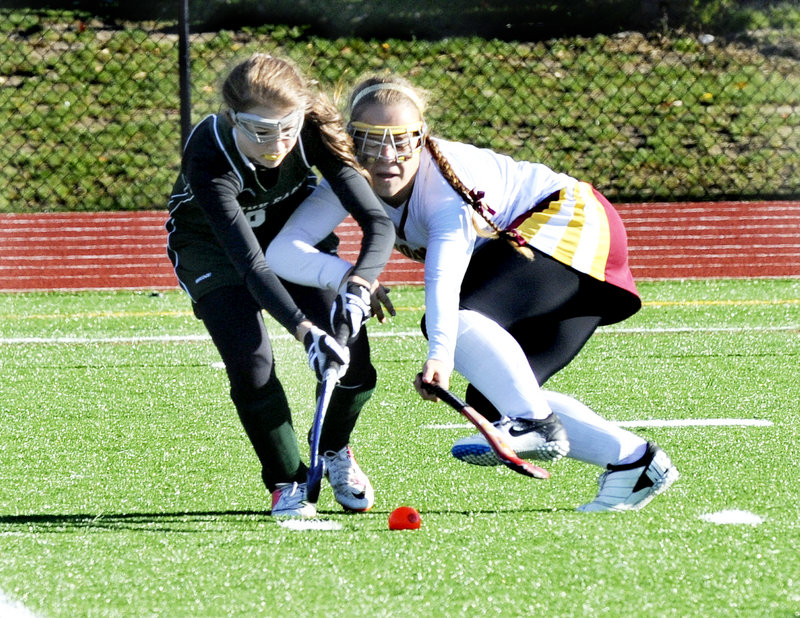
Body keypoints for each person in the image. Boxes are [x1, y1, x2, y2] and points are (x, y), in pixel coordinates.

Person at [266, 74, 679, 512]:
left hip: (573, 224)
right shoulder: (347, 179)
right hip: (559, 252)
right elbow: (282, 252)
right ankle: (636, 462)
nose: (387, 157)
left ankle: (534, 422)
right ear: (350, 140)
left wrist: (440, 356)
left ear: (422, 138)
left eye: (402, 142)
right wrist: (352, 275)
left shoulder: (444, 187)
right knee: (494, 399)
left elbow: (444, 282)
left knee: (462, 336)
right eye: (370, 141)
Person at [165, 54, 395, 518]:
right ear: (232, 119)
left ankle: (332, 449)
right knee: (252, 362)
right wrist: (303, 332)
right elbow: (251, 266)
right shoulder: (209, 152)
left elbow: (377, 221)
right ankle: (287, 480)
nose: (277, 143)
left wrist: (359, 282)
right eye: (260, 131)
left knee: (353, 353)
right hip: (214, 249)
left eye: (286, 128)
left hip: (289, 231)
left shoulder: (311, 129)